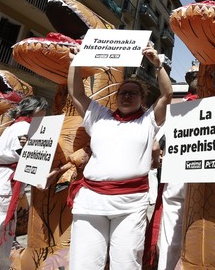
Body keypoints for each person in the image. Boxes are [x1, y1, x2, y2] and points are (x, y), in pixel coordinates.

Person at [66, 42, 172, 270]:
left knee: (126, 263)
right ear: (116, 96)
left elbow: (167, 94)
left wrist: (158, 65)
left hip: (131, 204)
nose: (126, 96)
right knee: (84, 263)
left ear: (142, 98)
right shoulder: (98, 115)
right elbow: (76, 92)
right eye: (123, 92)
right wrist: (76, 62)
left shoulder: (149, 120)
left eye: (133, 93)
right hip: (91, 202)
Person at [0, 95, 48, 269]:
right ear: (37, 110)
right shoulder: (23, 127)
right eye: (44, 112)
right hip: (3, 186)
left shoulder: (15, 126)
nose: (44, 115)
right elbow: (23, 154)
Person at [154, 64, 198, 270]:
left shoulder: (178, 110)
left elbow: (156, 144)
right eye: (192, 75)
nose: (195, 78)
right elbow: (157, 144)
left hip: (200, 180)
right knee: (172, 236)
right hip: (180, 180)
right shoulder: (177, 110)